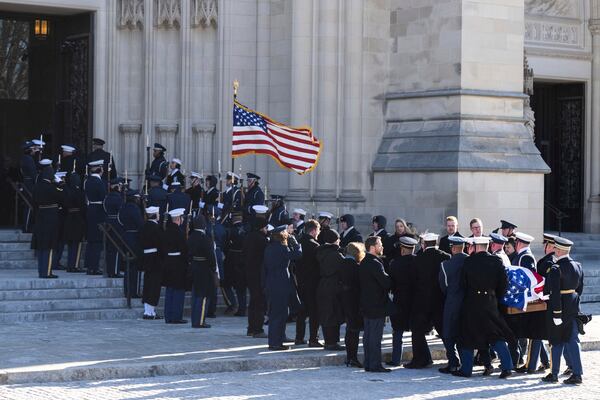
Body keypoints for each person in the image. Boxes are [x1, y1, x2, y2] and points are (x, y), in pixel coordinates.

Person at [453, 236, 515, 379]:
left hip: (472, 302)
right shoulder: (496, 261)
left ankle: (466, 369)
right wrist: (494, 296)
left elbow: (463, 284)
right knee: (495, 334)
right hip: (490, 302)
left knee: (467, 335)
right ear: (488, 245)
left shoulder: (468, 261)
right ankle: (507, 367)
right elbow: (503, 285)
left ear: (475, 246)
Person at [542, 236, 584, 385]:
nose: (554, 251)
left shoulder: (555, 268)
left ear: (559, 250)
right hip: (573, 308)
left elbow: (554, 292)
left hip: (558, 309)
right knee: (573, 341)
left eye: (555, 248)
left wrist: (556, 313)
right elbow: (579, 289)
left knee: (556, 341)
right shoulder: (578, 265)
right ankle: (577, 374)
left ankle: (554, 374)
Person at [404, 233, 450, 369]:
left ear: (424, 244)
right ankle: (454, 358)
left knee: (417, 330)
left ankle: (421, 359)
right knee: (444, 332)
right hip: (440, 300)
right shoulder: (445, 257)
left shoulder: (418, 259)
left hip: (422, 301)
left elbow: (413, 280)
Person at [263, 225, 302, 350]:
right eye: (285, 232)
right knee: (279, 314)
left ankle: (277, 340)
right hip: (280, 284)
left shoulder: (270, 247)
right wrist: (294, 242)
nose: (288, 233)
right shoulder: (281, 248)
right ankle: (275, 343)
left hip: (272, 282)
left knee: (277, 313)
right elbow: (298, 254)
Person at [359, 236, 392, 373]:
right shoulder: (375, 263)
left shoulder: (364, 261)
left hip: (366, 304)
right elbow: (386, 283)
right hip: (376, 305)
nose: (382, 247)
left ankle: (368, 363)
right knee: (375, 337)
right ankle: (375, 364)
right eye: (380, 244)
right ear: (373, 247)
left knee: (368, 336)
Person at [438, 236, 468, 374]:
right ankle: (466, 363)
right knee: (463, 333)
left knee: (448, 333)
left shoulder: (445, 265)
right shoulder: (469, 261)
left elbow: (444, 286)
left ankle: (453, 362)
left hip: (452, 301)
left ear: (453, 248)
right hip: (467, 302)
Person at [386, 236, 417, 367]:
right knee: (417, 332)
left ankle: (396, 359)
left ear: (402, 249)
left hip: (399, 299)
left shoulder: (395, 263)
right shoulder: (418, 262)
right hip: (415, 300)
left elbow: (391, 284)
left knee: (398, 331)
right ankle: (419, 357)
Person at [32, 160, 64, 278]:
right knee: (49, 247)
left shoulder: (37, 186)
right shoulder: (52, 188)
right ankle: (47, 272)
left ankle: (42, 271)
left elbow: (34, 203)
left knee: (41, 246)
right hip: (51, 217)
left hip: (40, 217)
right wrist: (61, 184)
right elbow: (62, 198)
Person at [316, 228, 346, 351]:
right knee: (334, 314)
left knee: (326, 314)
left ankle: (329, 341)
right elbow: (344, 270)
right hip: (334, 286)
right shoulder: (336, 255)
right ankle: (332, 342)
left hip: (322, 285)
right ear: (335, 240)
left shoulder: (320, 252)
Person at [295, 219, 322, 347]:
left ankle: (299, 338)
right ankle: (313, 339)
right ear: (314, 231)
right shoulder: (314, 245)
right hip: (313, 283)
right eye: (318, 230)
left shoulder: (299, 242)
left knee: (301, 312)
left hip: (300, 282)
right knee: (314, 312)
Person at [188, 214, 217, 328]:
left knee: (196, 295)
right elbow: (210, 255)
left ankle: (194, 319)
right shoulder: (205, 238)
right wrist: (213, 268)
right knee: (203, 296)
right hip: (204, 268)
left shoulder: (191, 236)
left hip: (194, 266)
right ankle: (200, 321)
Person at [243, 217, 270, 337]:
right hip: (259, 274)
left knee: (253, 302)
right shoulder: (261, 239)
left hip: (249, 273)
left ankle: (251, 328)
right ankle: (258, 329)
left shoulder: (249, 236)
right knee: (259, 302)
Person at [162, 208, 189, 324]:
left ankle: (168, 316)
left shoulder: (166, 231)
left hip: (168, 262)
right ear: (178, 219)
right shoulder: (179, 232)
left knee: (169, 291)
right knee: (178, 291)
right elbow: (184, 249)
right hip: (178, 263)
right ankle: (176, 316)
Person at [340, 241, 365, 367]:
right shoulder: (354, 266)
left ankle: (349, 357)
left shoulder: (343, 263)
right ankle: (353, 357)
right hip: (353, 301)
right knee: (354, 331)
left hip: (345, 300)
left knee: (349, 330)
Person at [118, 189, 144, 298]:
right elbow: (140, 223)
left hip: (126, 236)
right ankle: (133, 291)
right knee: (134, 266)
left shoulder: (123, 207)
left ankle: (127, 290)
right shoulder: (134, 208)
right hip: (134, 238)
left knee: (128, 266)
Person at [139, 206, 164, 320]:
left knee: (148, 284)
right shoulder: (156, 228)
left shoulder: (144, 226)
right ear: (155, 215)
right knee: (154, 285)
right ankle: (151, 312)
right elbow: (161, 244)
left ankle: (147, 311)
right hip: (155, 258)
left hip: (146, 258)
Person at [84, 159, 107, 275]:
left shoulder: (88, 181)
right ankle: (94, 267)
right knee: (97, 241)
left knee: (91, 240)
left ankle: (89, 266)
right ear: (100, 169)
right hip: (98, 211)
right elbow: (104, 197)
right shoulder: (99, 182)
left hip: (91, 210)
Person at [62, 173, 86, 273]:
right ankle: (74, 266)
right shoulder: (79, 192)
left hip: (69, 218)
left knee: (71, 244)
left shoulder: (67, 191)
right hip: (77, 219)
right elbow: (83, 206)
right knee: (77, 244)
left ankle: (69, 265)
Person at [225, 214, 247, 316]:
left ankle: (233, 304)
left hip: (231, 260)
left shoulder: (230, 230)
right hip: (243, 260)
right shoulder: (247, 230)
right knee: (241, 287)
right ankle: (242, 308)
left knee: (227, 284)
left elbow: (226, 245)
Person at [104, 178, 125, 277]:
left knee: (110, 248)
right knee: (116, 248)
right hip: (117, 223)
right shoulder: (118, 198)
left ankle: (109, 270)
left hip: (108, 223)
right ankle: (115, 271)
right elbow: (121, 211)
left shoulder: (107, 197)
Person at [20, 141, 39, 233]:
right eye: (33, 149)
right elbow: (33, 173)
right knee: (29, 206)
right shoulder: (28, 159)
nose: (35, 151)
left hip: (28, 183)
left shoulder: (26, 158)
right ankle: (27, 227)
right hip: (29, 184)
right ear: (29, 150)